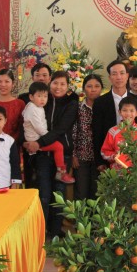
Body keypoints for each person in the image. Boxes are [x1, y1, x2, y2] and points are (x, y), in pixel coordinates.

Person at [23, 71, 79, 237]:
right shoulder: (41, 100)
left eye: (62, 84)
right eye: (55, 83)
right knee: (44, 194)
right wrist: (26, 142)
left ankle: (55, 231)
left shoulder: (71, 103)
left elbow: (61, 129)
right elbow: (28, 123)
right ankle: (41, 231)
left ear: (67, 86)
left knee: (59, 194)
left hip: (62, 153)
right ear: (49, 83)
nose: (58, 87)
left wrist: (39, 143)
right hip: (43, 156)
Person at [92, 60, 137, 172]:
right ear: (110, 78)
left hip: (134, 159)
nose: (119, 77)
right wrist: (99, 161)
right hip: (110, 157)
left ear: (127, 76)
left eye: (122, 73)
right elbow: (97, 132)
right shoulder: (100, 102)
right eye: (114, 74)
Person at [23, 81, 75, 184]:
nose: (42, 99)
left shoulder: (36, 107)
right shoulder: (33, 109)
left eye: (45, 96)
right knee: (58, 146)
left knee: (58, 146)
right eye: (39, 96)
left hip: (37, 137)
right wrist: (48, 138)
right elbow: (39, 128)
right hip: (34, 140)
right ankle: (61, 173)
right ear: (31, 97)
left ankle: (60, 171)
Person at [18, 62, 53, 187]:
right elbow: (20, 123)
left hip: (48, 146)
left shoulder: (53, 98)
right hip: (29, 147)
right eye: (37, 75)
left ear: (50, 78)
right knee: (31, 183)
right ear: (32, 77)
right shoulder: (23, 99)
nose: (41, 78)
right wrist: (23, 142)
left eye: (44, 75)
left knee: (48, 185)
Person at [72, 74, 104, 199]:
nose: (93, 89)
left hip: (100, 157)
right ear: (84, 89)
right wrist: (73, 155)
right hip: (82, 157)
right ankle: (80, 213)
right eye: (89, 86)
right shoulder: (78, 107)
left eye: (97, 86)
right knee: (81, 192)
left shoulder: (105, 106)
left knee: (97, 193)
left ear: (101, 88)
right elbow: (74, 132)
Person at [101, 96, 137, 168]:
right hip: (118, 171)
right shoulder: (113, 131)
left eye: (131, 111)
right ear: (119, 112)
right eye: (124, 110)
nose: (128, 114)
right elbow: (104, 152)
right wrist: (115, 157)